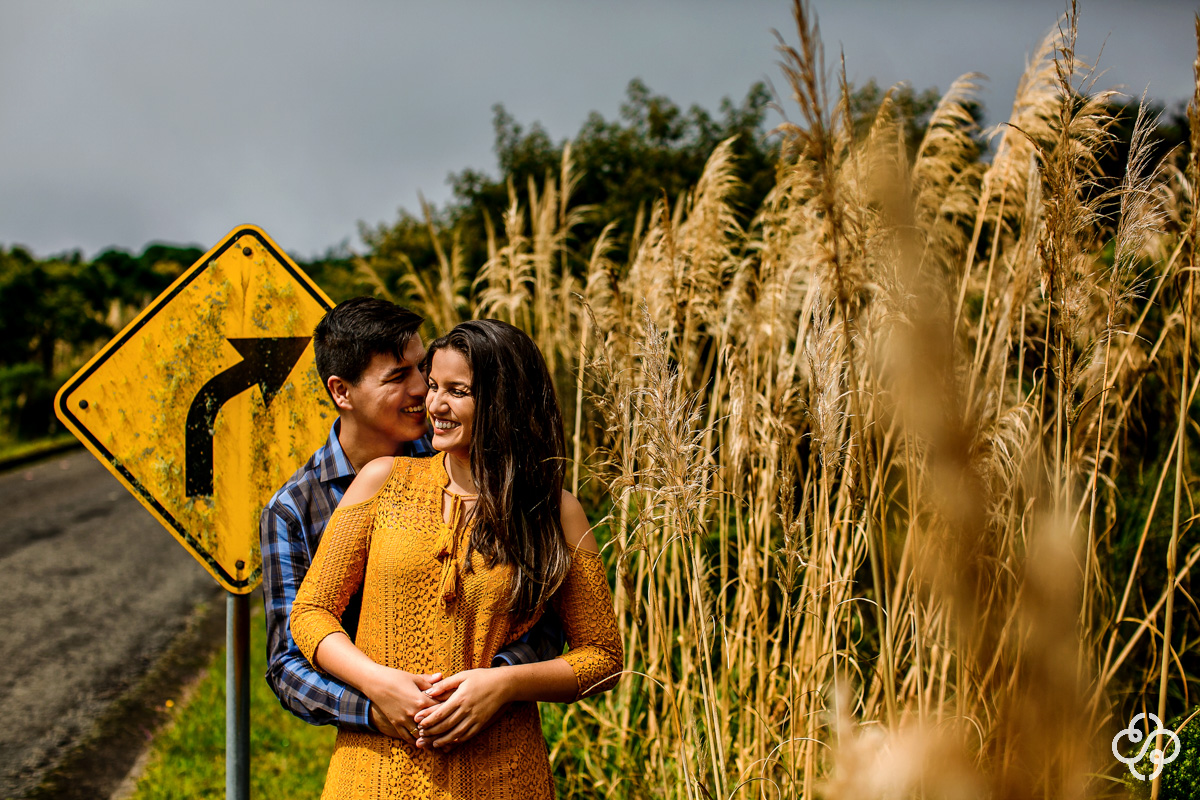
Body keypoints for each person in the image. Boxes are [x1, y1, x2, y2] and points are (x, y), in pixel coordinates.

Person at [290, 319, 623, 799]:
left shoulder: (555, 511)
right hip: (372, 777)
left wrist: (504, 685)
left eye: (457, 391)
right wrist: (377, 682)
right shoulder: (383, 482)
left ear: (504, 401)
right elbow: (310, 611)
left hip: (505, 779)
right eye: (434, 386)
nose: (435, 405)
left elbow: (604, 658)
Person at [261, 298, 564, 744]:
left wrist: (491, 682)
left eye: (420, 368)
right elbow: (288, 663)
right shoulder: (294, 509)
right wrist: (377, 705)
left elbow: (546, 614)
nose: (424, 389)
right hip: (377, 750)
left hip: (491, 737)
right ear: (341, 392)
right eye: (397, 377)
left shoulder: (464, 458)